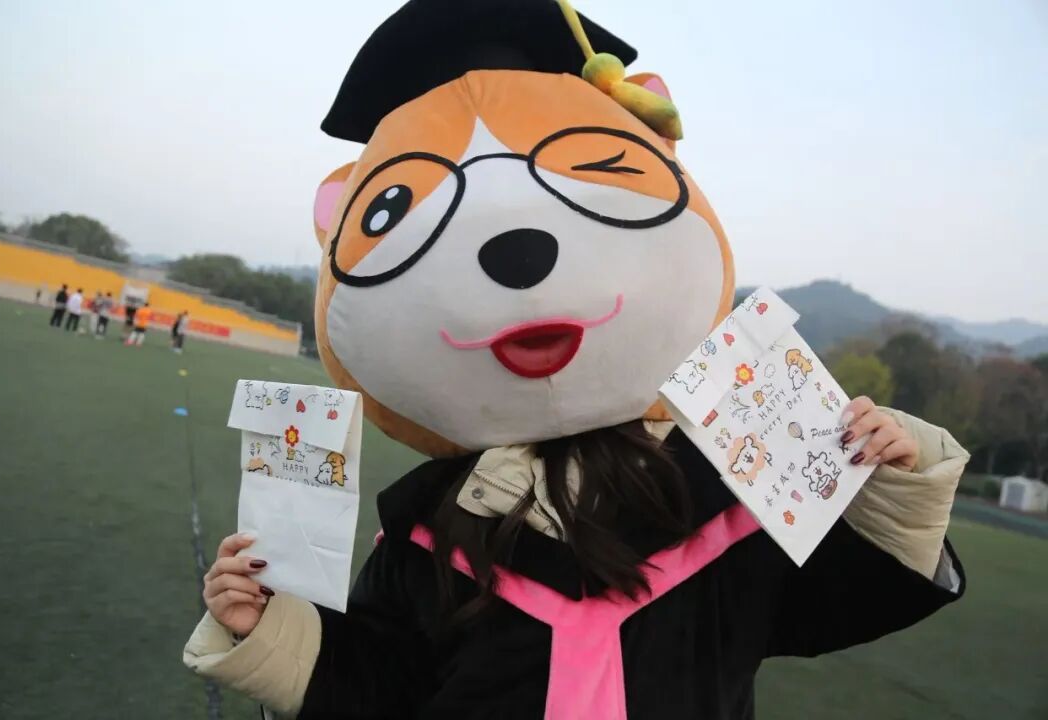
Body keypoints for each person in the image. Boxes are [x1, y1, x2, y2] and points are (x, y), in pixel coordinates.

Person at [184, 2, 969, 718]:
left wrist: (889, 484)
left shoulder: (727, 490)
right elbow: (382, 685)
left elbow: (840, 600)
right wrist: (268, 628)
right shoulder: (427, 530)